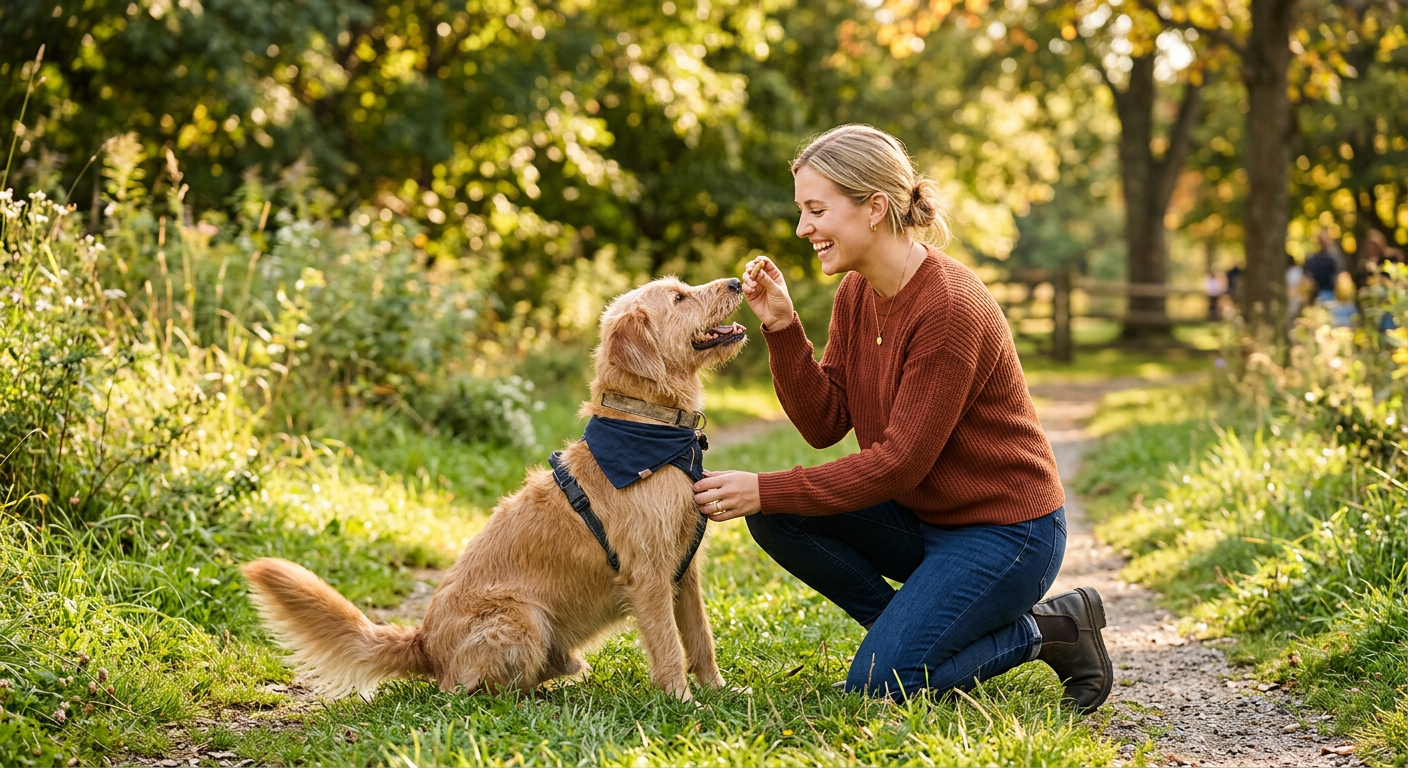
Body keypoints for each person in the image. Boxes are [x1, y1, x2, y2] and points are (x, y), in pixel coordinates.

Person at [690, 125, 1112, 712]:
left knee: (880, 686)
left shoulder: (948, 308)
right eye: (801, 211)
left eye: (816, 209)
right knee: (780, 517)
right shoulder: (858, 293)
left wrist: (762, 486)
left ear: (875, 209)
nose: (802, 228)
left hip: (1006, 532)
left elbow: (899, 463)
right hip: (925, 519)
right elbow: (825, 424)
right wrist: (783, 330)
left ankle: (1051, 627)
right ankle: (913, 637)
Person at [1304, 229, 1343, 303]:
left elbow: (1337, 274)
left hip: (1329, 292)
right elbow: (1309, 275)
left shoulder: (1333, 258)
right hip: (1315, 293)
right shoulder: (1314, 259)